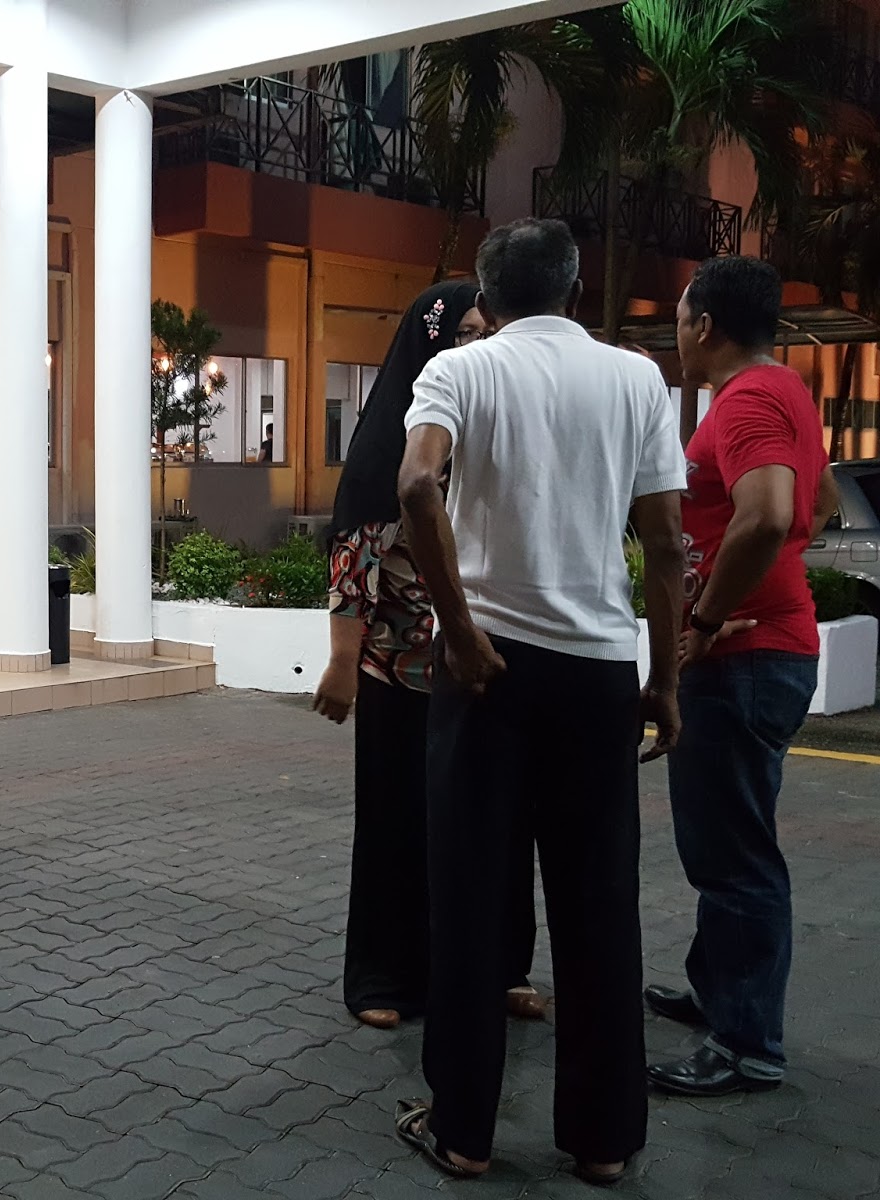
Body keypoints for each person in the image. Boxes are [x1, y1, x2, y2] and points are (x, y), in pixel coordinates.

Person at [391, 219, 687, 1185]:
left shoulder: (461, 370)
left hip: (488, 669)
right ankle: (604, 1141)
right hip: (597, 671)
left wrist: (458, 629)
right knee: (600, 902)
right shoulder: (636, 380)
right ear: (575, 288)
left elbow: (417, 485)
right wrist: (665, 677)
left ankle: (464, 1132)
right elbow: (667, 543)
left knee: (470, 897)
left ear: (484, 296)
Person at [312, 280, 546, 1031]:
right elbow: (356, 551)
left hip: (491, 664)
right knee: (397, 820)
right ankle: (385, 974)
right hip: (400, 669)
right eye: (464, 334)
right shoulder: (395, 439)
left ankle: (500, 966)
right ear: (430, 344)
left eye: (488, 331)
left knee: (497, 818)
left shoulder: (498, 427)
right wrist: (342, 662)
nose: (478, 346)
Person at [646, 257, 839, 1098]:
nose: (679, 335)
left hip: (744, 660)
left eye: (680, 319)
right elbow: (817, 503)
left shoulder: (749, 399)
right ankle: (721, 994)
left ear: (706, 326)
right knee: (725, 840)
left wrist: (706, 618)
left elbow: (765, 516)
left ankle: (747, 1042)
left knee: (735, 856)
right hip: (768, 650)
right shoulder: (782, 388)